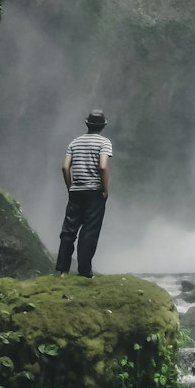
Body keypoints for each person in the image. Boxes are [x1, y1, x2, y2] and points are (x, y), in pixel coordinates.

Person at [56, 109, 112, 278]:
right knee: (89, 231)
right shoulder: (104, 142)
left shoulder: (74, 142)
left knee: (68, 231)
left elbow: (65, 167)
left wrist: (70, 187)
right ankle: (84, 271)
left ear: (87, 124)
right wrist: (105, 189)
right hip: (94, 191)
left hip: (76, 191)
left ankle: (63, 271)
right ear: (103, 126)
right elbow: (103, 166)